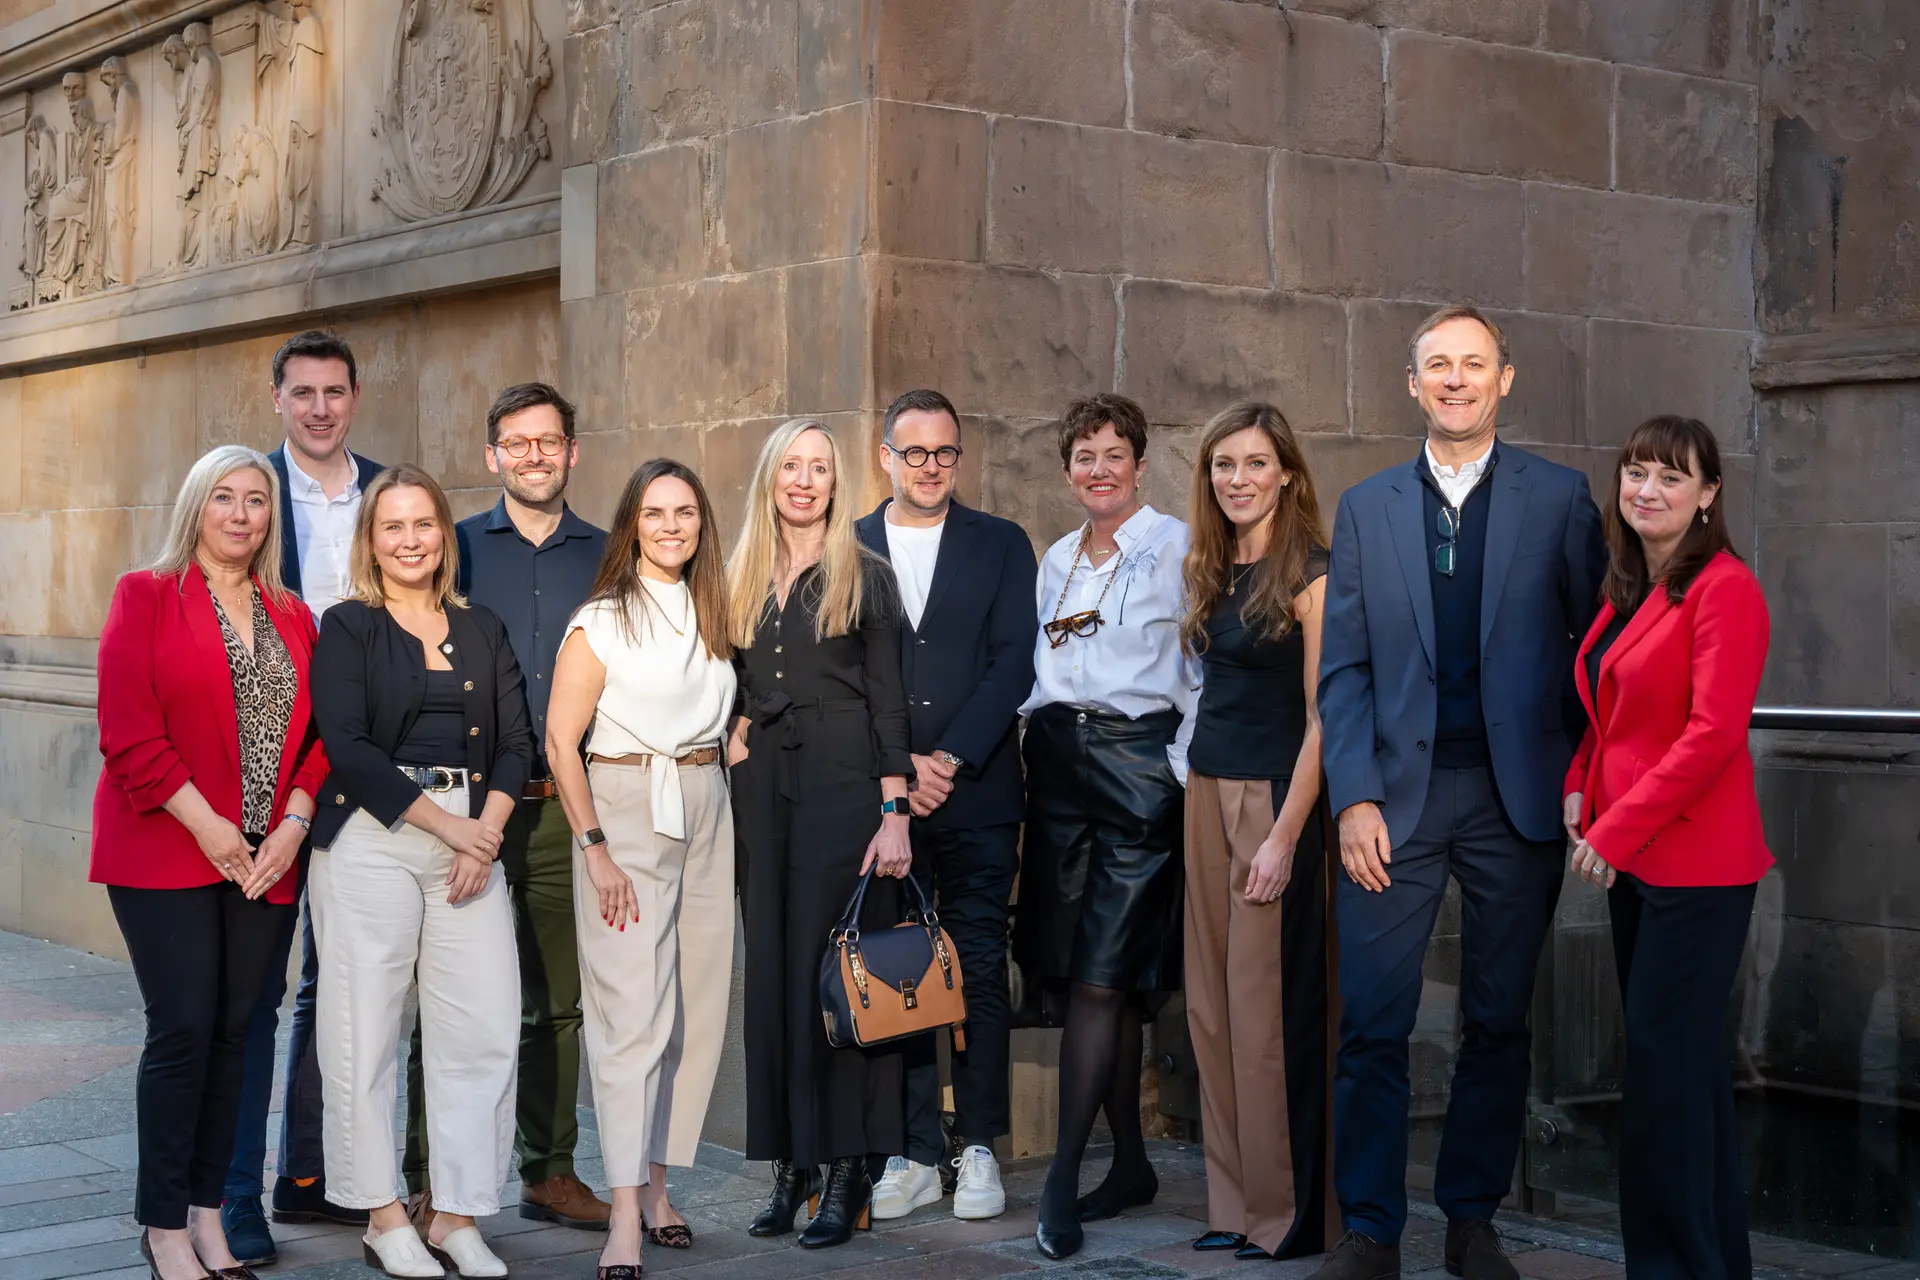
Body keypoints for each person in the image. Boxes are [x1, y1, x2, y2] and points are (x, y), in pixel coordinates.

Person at [1314, 305, 1606, 1280]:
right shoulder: (1367, 507)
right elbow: (1343, 669)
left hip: (1513, 801)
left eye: (1473, 364)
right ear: (1413, 383)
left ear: (1503, 379)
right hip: (1391, 803)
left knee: (1497, 1019)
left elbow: (1595, 656)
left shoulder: (1559, 499)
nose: (1455, 379)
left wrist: (1585, 778)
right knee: (1373, 1022)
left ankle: (1473, 1220)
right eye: (1437, 364)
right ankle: (1371, 1229)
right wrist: (1352, 797)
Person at [93, 447, 328, 1280]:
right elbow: (128, 733)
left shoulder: (293, 614)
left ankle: (207, 1215)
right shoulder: (146, 595)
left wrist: (293, 824)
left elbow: (321, 737)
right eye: (223, 497)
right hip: (169, 847)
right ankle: (162, 1226)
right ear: (196, 506)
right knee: (184, 1029)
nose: (240, 514)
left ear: (271, 517)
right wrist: (212, 829)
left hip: (268, 858)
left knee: (238, 1032)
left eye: (256, 500)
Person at [307, 465, 531, 1279]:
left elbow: (516, 742)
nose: (410, 541)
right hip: (373, 839)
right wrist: (455, 831)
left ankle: (457, 1214)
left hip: (473, 839)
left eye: (424, 524)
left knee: (483, 1028)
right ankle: (383, 1214)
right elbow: (348, 746)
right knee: (365, 1031)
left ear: (445, 534)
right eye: (392, 526)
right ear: (372, 541)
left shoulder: (482, 627)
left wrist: (484, 835)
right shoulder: (348, 626)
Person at [401, 384, 610, 1232]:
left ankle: (549, 1172)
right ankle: (426, 1180)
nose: (534, 456)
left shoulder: (607, 554)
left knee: (557, 1003)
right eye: (516, 443)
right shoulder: (450, 549)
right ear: (492, 455)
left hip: (562, 809)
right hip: (463, 814)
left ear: (572, 452)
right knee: (448, 1002)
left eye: (548, 442)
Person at [1564, 416, 1769, 1280]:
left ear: (1709, 495)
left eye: (1672, 477)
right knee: (1682, 1078)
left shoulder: (1726, 589)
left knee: (1664, 1080)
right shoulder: (1629, 586)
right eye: (1636, 472)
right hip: (1637, 864)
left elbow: (1712, 734)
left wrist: (1615, 827)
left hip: (1697, 867)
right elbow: (1611, 713)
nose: (1647, 490)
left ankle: (1670, 1268)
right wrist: (1580, 779)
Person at [1015, 393, 1198, 1261]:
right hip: (1058, 770)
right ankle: (1130, 1163)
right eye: (1084, 456)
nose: (1099, 470)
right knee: (1087, 975)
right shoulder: (1056, 558)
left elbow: (1204, 670)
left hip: (1137, 769)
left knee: (1099, 978)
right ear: (1067, 471)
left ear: (1140, 464)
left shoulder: (1178, 547)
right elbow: (1045, 664)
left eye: (1113, 454)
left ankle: (1062, 1179)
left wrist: (1178, 771)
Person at [546, 459, 738, 1279]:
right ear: (631, 524)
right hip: (625, 807)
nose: (670, 526)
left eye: (685, 512)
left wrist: (733, 742)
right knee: (632, 1017)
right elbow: (561, 742)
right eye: (654, 513)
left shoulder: (712, 609)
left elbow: (726, 709)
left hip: (706, 801)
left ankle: (659, 1186)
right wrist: (594, 848)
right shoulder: (601, 619)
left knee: (693, 1008)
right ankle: (623, 1212)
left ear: (702, 523)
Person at [727, 418, 915, 1250]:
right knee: (772, 972)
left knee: (837, 978)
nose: (804, 481)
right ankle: (789, 1167)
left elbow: (890, 702)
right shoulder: (736, 574)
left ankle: (846, 1170)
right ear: (770, 476)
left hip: (844, 789)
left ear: (837, 484)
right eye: (791, 466)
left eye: (820, 469)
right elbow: (725, 679)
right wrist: (732, 730)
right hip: (762, 789)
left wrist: (895, 812)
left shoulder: (865, 575)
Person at [854, 390, 1038, 1222]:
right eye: (914, 452)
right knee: (898, 973)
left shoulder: (1000, 543)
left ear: (959, 457)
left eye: (944, 452)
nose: (930, 467)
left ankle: (979, 1146)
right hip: (883, 802)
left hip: (979, 794)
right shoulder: (849, 544)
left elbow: (1014, 661)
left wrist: (950, 760)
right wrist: (901, 771)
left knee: (980, 970)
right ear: (885, 457)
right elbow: (848, 674)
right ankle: (913, 1150)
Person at [226, 330, 385, 1265]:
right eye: (304, 392)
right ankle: (234, 1196)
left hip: (365, 769)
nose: (320, 408)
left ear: (355, 397)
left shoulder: (389, 497)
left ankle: (312, 1174)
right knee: (256, 994)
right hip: (270, 768)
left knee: (347, 984)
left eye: (335, 392)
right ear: (277, 398)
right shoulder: (247, 496)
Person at [1178, 402, 1334, 1261]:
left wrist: (1283, 836)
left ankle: (1290, 1216)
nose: (1238, 479)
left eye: (1255, 463)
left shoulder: (1311, 571)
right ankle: (1234, 1204)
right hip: (1205, 790)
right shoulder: (1211, 565)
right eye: (1223, 465)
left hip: (1274, 802)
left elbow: (1324, 719)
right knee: (1211, 1007)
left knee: (1266, 1009)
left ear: (1287, 474)